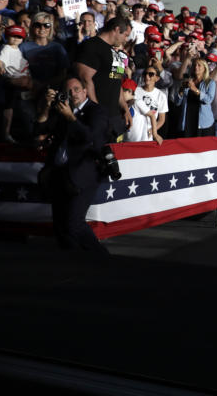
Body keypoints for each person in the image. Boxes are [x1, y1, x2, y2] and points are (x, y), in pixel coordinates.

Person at [34, 77, 110, 255]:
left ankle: (101, 257)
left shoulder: (96, 111)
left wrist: (71, 117)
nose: (73, 94)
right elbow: (39, 131)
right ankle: (72, 264)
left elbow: (90, 138)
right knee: (60, 227)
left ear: (85, 91)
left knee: (74, 224)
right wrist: (46, 107)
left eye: (76, 89)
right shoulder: (61, 109)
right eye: (69, 91)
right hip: (58, 173)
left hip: (83, 174)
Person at [74, 16, 133, 140]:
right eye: (125, 35)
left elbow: (117, 82)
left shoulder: (117, 53)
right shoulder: (92, 46)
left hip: (114, 117)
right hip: (96, 117)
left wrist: (125, 108)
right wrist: (97, 112)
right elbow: (85, 79)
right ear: (117, 29)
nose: (125, 39)